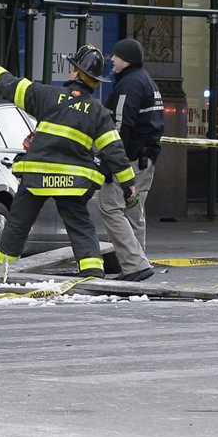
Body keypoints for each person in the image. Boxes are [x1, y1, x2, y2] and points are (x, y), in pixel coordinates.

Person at [0, 46, 136, 280]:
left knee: (17, 224)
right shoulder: (97, 112)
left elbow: (11, 85)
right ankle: (93, 274)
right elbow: (114, 151)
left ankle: (2, 272)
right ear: (95, 81)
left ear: (76, 73)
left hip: (36, 177)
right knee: (81, 227)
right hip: (73, 183)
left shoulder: (47, 95)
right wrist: (128, 185)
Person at [95, 37, 165, 281]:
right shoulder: (146, 80)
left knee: (109, 207)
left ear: (126, 60)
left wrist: (110, 159)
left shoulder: (130, 84)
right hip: (145, 159)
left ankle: (134, 265)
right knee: (134, 211)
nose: (112, 59)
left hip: (128, 160)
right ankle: (136, 265)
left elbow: (120, 126)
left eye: (116, 55)